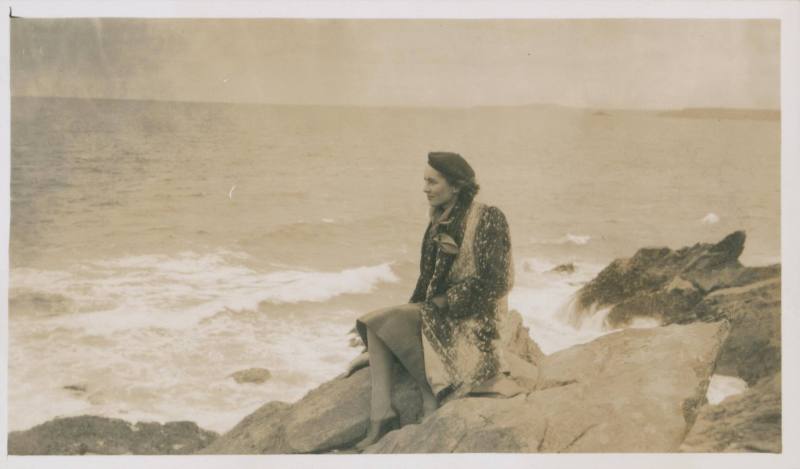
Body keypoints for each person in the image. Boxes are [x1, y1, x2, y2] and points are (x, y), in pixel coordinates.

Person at [349, 151, 515, 451]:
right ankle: (381, 415)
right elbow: (425, 285)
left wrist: (444, 303)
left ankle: (427, 402)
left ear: (455, 186)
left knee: (385, 322)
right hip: (443, 314)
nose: (424, 188)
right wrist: (396, 321)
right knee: (375, 323)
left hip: (476, 321)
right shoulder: (437, 223)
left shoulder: (488, 217)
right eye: (424, 181)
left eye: (432, 182)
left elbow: (498, 281)